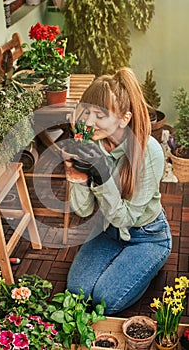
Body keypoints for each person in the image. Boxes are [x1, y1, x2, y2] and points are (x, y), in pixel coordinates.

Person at [62, 67, 172, 315]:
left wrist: (100, 174)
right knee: (76, 292)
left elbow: (125, 218)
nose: (88, 122)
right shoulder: (90, 144)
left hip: (148, 236)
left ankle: (150, 264)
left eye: (99, 115)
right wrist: (76, 177)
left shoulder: (148, 152)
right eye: (86, 112)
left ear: (124, 118)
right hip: (109, 231)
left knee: (105, 301)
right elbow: (84, 209)